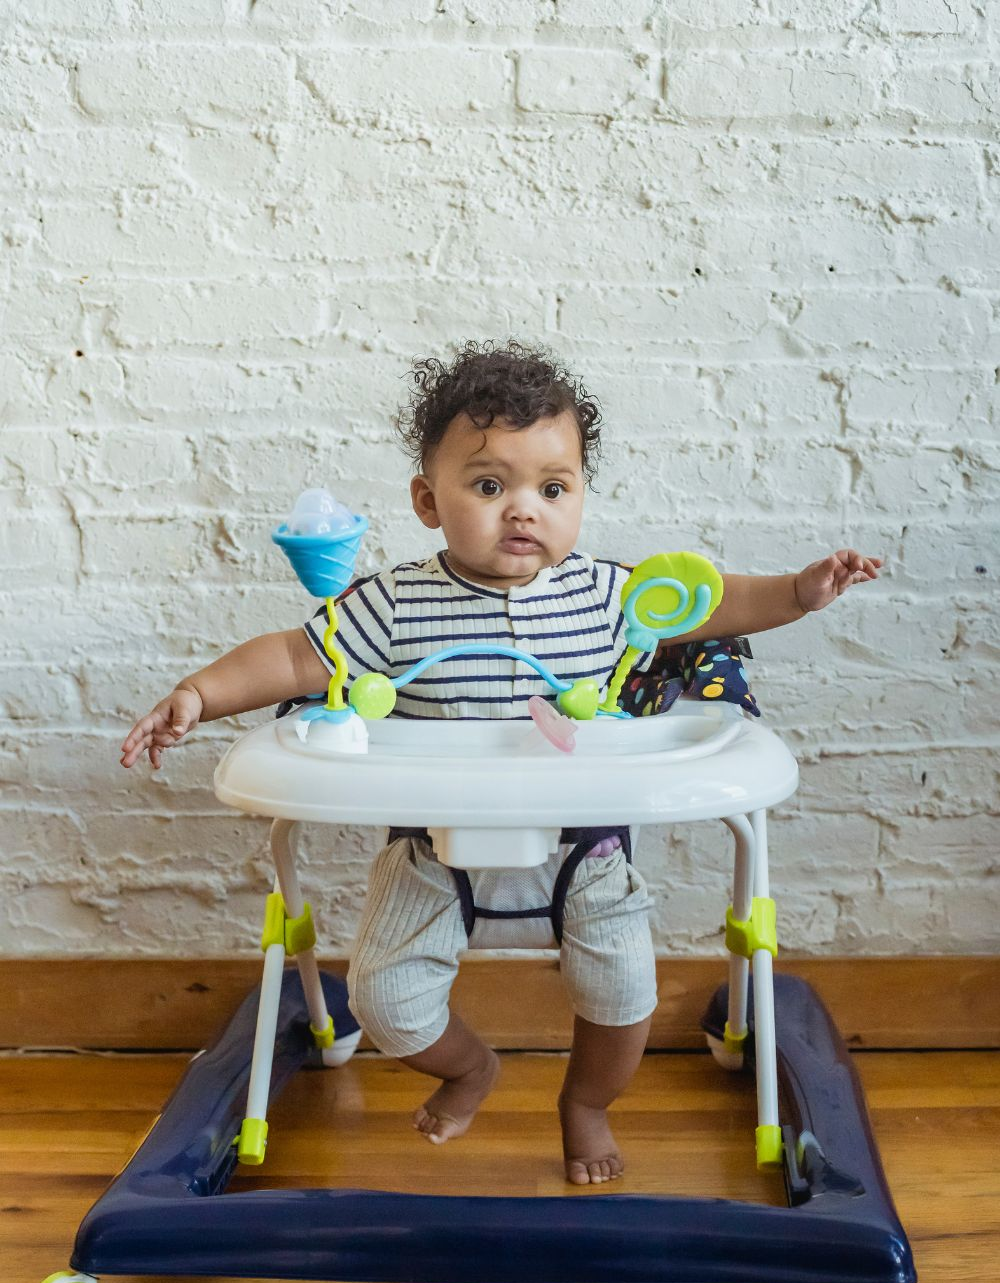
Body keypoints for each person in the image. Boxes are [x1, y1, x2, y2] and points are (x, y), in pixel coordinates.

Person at [120, 339, 882, 1186]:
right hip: (430, 850)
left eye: (552, 489)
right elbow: (296, 658)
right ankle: (468, 1067)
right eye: (490, 486)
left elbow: (713, 602)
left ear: (581, 496)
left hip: (581, 849)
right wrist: (197, 691)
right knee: (386, 1004)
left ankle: (585, 1104)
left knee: (626, 999)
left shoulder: (607, 596)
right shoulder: (395, 603)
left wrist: (798, 593)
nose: (524, 509)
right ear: (427, 499)